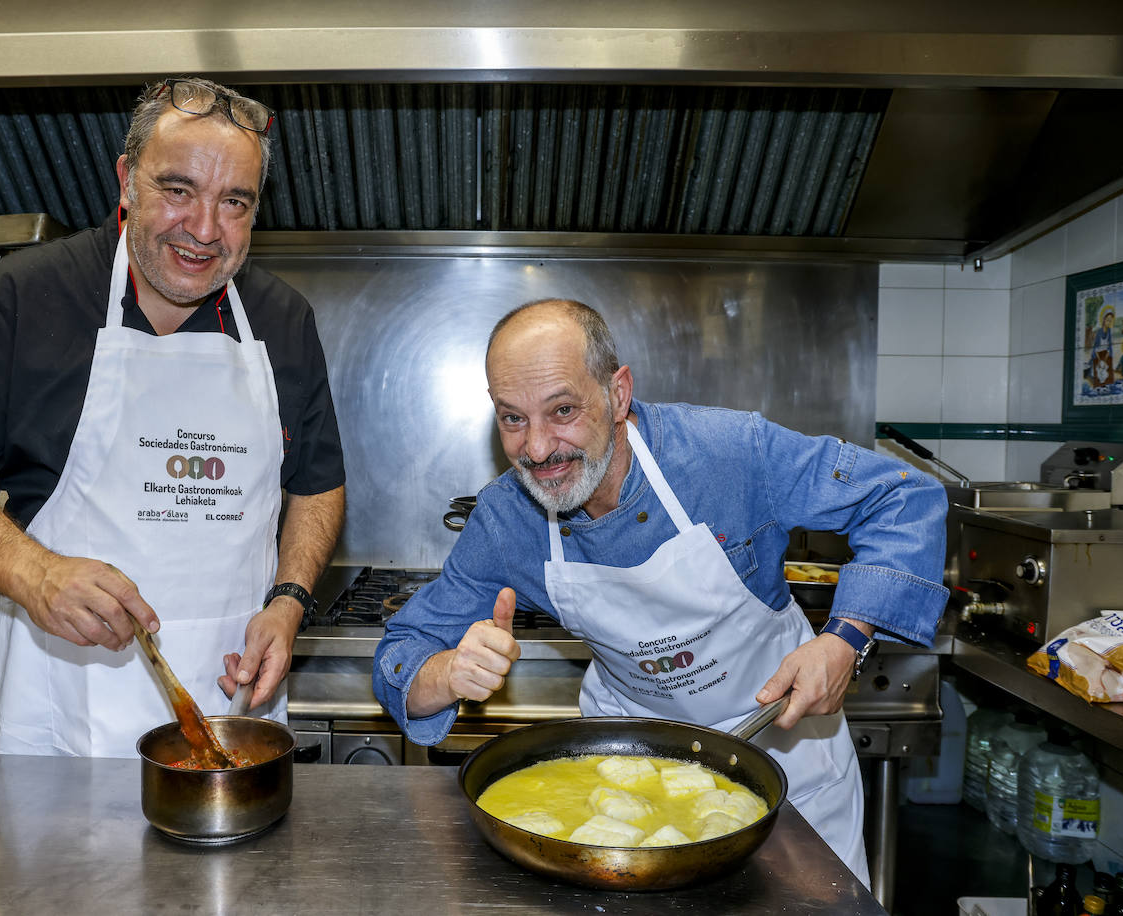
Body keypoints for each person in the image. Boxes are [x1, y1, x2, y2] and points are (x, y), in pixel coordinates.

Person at [372, 299, 948, 882]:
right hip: (627, 774)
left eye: (563, 410)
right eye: (513, 419)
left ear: (618, 394)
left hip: (787, 746)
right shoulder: (507, 521)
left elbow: (904, 497)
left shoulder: (728, 453)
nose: (538, 449)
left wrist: (845, 639)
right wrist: (444, 674)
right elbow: (402, 656)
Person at [0, 78, 346, 758]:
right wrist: (37, 575)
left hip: (229, 705)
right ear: (127, 181)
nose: (205, 229)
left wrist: (288, 600)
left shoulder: (283, 321)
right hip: (58, 708)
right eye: (178, 190)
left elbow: (317, 483)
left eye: (235, 202)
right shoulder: (18, 300)